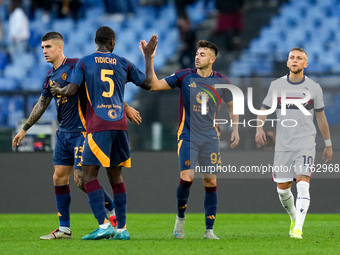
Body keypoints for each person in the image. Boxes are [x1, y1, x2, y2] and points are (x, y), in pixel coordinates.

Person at [12, 31, 142, 240]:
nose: (44, 51)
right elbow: (42, 103)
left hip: (83, 131)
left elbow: (101, 88)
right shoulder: (50, 76)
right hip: (63, 133)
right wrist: (25, 128)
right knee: (58, 177)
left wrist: (124, 106)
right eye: (42, 47)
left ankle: (111, 215)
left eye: (48, 47)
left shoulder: (77, 64)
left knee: (81, 180)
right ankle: (65, 228)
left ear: (59, 47)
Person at [50, 26, 158, 240]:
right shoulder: (122, 61)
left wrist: (59, 90)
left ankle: (103, 225)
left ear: (95, 41)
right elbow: (148, 83)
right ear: (112, 42)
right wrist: (148, 57)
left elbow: (71, 90)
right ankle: (122, 229)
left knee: (88, 176)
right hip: (120, 125)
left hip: (98, 126)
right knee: (116, 176)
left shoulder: (85, 62)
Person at [139, 39, 240, 239]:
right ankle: (180, 220)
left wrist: (235, 128)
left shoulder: (222, 81)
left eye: (202, 54)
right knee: (187, 177)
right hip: (188, 136)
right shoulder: (184, 76)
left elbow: (232, 104)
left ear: (212, 59)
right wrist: (149, 59)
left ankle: (209, 230)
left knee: (210, 181)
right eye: (197, 53)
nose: (197, 56)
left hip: (211, 137)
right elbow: (155, 85)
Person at [255, 47, 333, 239]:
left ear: (305, 64)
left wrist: (328, 143)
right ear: (288, 63)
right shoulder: (276, 85)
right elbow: (264, 109)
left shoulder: (314, 87)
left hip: (306, 141)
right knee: (283, 190)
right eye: (292, 58)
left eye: (299, 58)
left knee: (303, 183)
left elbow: (321, 117)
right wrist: (259, 128)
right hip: (283, 144)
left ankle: (298, 229)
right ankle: (293, 217)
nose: (295, 60)